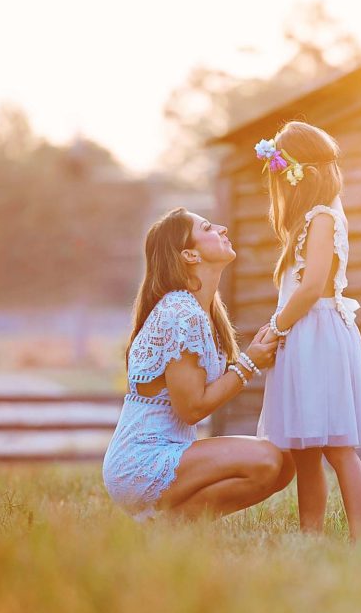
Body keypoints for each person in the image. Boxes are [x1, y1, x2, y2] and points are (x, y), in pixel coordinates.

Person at [103, 207, 294, 521]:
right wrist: (249, 364)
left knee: (285, 464)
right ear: (190, 255)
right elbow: (191, 409)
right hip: (142, 460)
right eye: (207, 227)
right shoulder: (181, 312)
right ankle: (167, 527)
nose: (221, 228)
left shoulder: (204, 310)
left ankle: (167, 526)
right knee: (266, 459)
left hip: (172, 451)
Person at [254, 121, 361, 540]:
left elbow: (311, 287)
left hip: (318, 336)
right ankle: (311, 536)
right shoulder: (308, 220)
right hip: (301, 336)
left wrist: (276, 325)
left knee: (336, 447)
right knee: (305, 451)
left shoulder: (324, 217)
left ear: (300, 175)